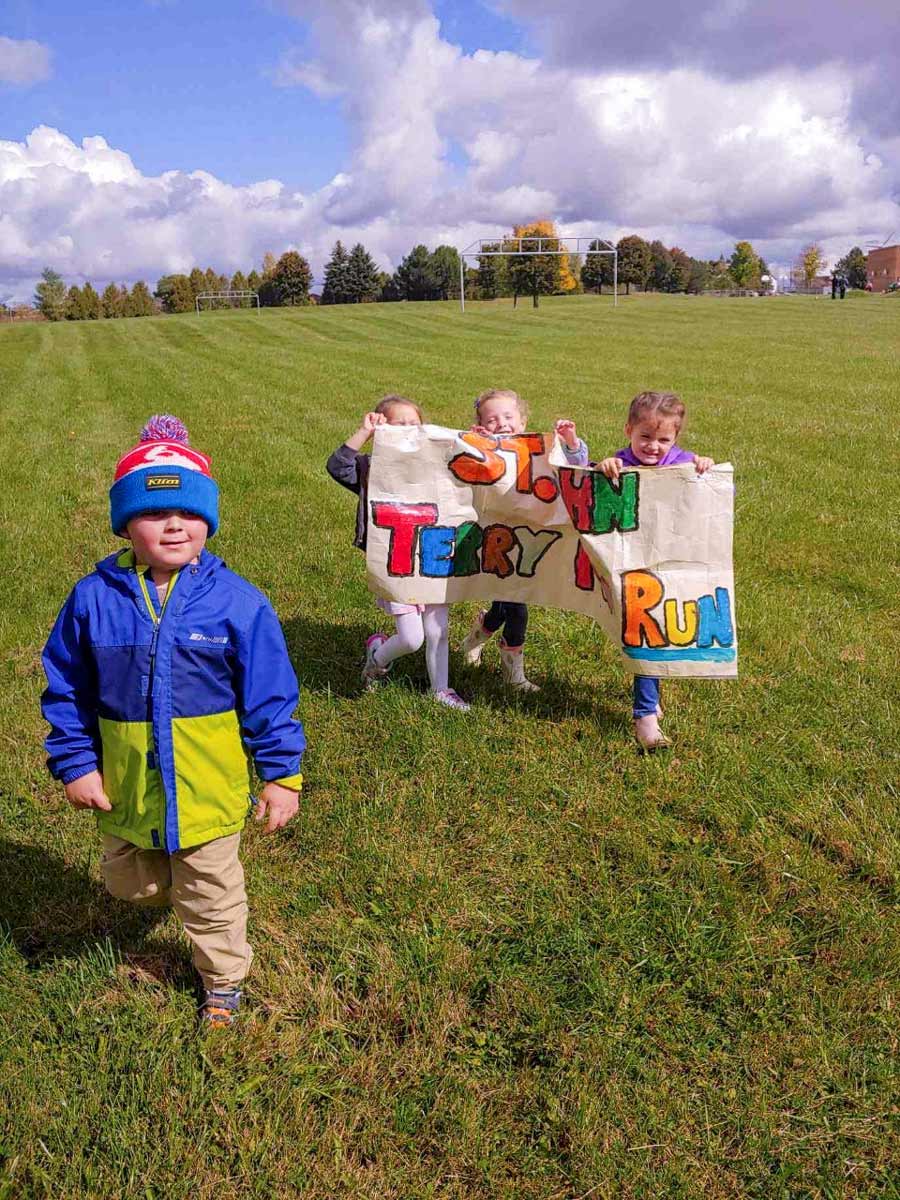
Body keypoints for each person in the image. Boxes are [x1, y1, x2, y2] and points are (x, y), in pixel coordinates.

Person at [41, 415, 305, 1028]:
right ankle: (165, 886)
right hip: (127, 787)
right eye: (156, 515)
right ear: (126, 524)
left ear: (207, 522)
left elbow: (270, 696)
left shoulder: (238, 602)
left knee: (209, 897)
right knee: (131, 887)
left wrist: (280, 775)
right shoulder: (92, 600)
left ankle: (223, 982)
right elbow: (66, 686)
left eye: (189, 514)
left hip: (206, 790)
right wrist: (77, 763)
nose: (175, 525)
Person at [327, 395, 469, 711]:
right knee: (411, 639)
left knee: (438, 630)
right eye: (397, 423)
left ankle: (441, 690)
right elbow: (338, 466)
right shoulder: (370, 470)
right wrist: (364, 432)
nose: (407, 429)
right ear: (382, 429)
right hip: (397, 565)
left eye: (413, 423)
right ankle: (376, 658)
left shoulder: (438, 467)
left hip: (434, 558)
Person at [597, 391, 714, 752]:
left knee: (654, 631)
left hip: (670, 563)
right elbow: (588, 489)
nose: (653, 447)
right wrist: (604, 468)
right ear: (628, 429)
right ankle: (646, 710)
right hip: (631, 565)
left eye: (664, 439)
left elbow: (712, 488)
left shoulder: (683, 462)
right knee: (644, 628)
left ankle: (647, 708)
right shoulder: (620, 461)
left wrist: (705, 467)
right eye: (645, 437)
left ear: (676, 438)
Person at [460, 389, 588, 691]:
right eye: (491, 420)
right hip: (495, 540)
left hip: (528, 541)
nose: (501, 424)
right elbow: (463, 465)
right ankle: (512, 675)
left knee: (505, 604)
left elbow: (576, 465)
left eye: (508, 417)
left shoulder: (536, 449)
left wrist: (570, 442)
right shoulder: (483, 446)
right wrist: (475, 442)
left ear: (522, 420)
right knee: (515, 606)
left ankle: (474, 639)